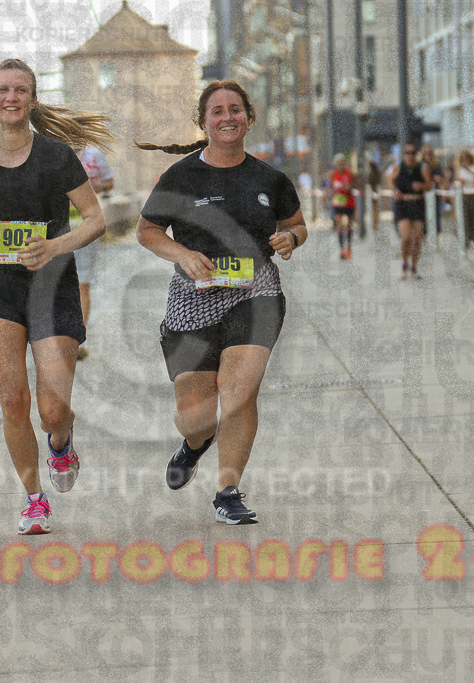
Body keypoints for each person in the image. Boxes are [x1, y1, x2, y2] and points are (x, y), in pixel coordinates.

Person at [0, 58, 114, 535]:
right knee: (12, 399)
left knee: (51, 410)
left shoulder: (57, 157)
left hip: (55, 286)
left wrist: (54, 246)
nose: (11, 97)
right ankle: (34, 500)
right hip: (2, 287)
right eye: (2, 90)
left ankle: (62, 440)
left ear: (32, 100)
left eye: (20, 90)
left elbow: (96, 220)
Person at [134, 80, 307, 525]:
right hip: (193, 300)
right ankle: (195, 445)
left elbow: (297, 224)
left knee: (238, 394)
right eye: (217, 111)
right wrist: (183, 255)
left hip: (257, 292)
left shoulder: (270, 179)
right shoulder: (181, 177)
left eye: (235, 109)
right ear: (203, 122)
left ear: (249, 118)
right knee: (196, 417)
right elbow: (147, 231)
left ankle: (227, 491)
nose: (227, 117)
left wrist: (289, 238)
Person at [72, 145, 115, 361]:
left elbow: (110, 182)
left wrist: (101, 185)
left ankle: (77, 340)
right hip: (54, 226)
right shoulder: (50, 152)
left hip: (86, 224)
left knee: (82, 283)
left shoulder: (94, 155)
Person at [389, 139, 431, 280]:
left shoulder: (422, 167)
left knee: (417, 238)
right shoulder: (398, 167)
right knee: (406, 237)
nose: (410, 155)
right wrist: (395, 191)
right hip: (403, 204)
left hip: (418, 203)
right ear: (404, 154)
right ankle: (404, 261)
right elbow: (391, 181)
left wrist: (421, 185)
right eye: (407, 153)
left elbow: (429, 186)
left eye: (413, 153)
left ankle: (414, 267)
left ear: (416, 154)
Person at [455, 149, 474, 248]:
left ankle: (473, 234)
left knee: (473, 215)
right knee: (465, 216)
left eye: (466, 158)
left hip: (473, 193)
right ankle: (466, 238)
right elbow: (456, 182)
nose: (464, 160)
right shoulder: (460, 169)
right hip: (464, 195)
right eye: (462, 159)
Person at [329, 153, 356, 259]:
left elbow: (358, 184)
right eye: (338, 164)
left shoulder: (350, 173)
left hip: (349, 202)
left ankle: (349, 249)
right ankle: (342, 250)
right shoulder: (333, 174)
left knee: (349, 225)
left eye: (342, 164)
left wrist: (350, 187)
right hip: (338, 202)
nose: (340, 166)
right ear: (335, 164)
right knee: (339, 225)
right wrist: (325, 195)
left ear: (345, 164)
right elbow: (331, 186)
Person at [367, 159, 382, 233]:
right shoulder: (378, 173)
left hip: (372, 192)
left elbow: (368, 182)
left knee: (374, 209)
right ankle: (376, 224)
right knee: (376, 209)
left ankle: (374, 224)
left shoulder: (371, 174)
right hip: (377, 191)